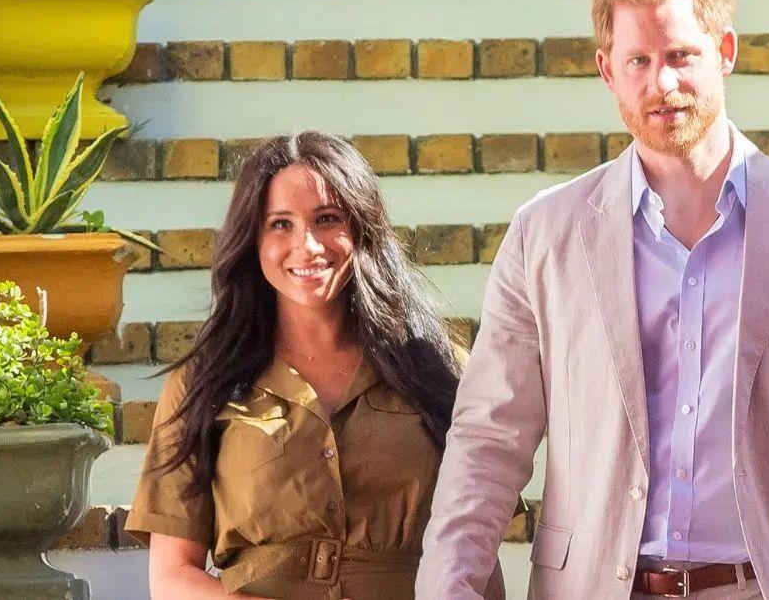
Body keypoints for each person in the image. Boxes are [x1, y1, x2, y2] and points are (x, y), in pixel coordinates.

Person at [416, 0, 769, 599]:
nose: (662, 84)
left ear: (725, 51)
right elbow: (488, 444)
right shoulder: (545, 233)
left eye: (682, 55)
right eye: (639, 60)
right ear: (608, 70)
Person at [125, 131, 506, 599]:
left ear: (362, 228)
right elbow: (171, 577)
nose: (307, 245)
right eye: (280, 224)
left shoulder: (439, 369)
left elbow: (478, 555)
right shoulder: (203, 383)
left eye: (327, 219)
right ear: (252, 240)